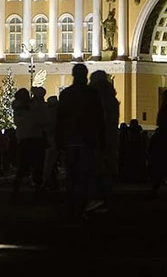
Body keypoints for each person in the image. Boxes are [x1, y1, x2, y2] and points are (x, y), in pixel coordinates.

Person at [57, 63, 105, 221]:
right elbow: (99, 119)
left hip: (70, 140)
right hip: (88, 140)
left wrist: (59, 141)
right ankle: (83, 205)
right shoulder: (92, 94)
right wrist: (101, 140)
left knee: (72, 175)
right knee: (86, 174)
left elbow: (60, 119)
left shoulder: (66, 94)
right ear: (85, 75)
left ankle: (71, 206)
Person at [89, 70, 120, 211]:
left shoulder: (94, 99)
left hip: (96, 139)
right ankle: (105, 198)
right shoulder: (112, 100)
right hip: (110, 139)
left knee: (96, 169)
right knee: (107, 169)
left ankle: (97, 198)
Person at [11, 87, 47, 199]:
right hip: (35, 137)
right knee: (36, 164)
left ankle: (18, 186)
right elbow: (39, 119)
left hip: (24, 138)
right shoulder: (31, 107)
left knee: (24, 165)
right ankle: (36, 186)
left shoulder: (19, 108)